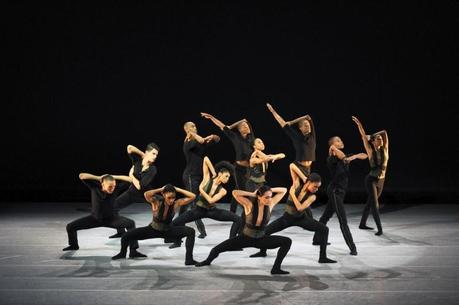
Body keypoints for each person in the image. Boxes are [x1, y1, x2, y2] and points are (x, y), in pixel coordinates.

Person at [195, 186, 292, 275]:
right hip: (245, 238)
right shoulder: (249, 205)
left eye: (271, 197)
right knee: (216, 249)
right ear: (259, 197)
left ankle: (276, 268)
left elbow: (284, 190)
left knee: (287, 241)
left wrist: (269, 190)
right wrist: (253, 194)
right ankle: (207, 261)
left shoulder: (270, 204)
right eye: (266, 197)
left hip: (261, 239)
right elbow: (235, 192)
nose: (269, 199)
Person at [249, 172, 337, 263]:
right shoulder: (297, 185)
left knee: (324, 229)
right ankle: (262, 252)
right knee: (265, 231)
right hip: (287, 219)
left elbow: (300, 208)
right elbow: (292, 166)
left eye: (318, 187)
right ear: (308, 182)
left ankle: (322, 257)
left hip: (301, 219)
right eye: (315, 186)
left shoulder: (312, 196)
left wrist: (293, 194)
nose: (317, 189)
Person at [112, 184, 198, 265]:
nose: (172, 200)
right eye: (169, 198)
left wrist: (177, 189)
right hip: (152, 230)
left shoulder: (176, 203)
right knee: (126, 236)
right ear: (163, 195)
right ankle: (123, 253)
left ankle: (189, 259)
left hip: (168, 231)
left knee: (191, 231)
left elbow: (193, 196)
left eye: (173, 197)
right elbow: (146, 194)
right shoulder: (156, 202)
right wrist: (161, 189)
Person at [168, 156, 242, 248]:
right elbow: (206, 159)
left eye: (229, 177)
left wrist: (201, 190)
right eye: (226, 176)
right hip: (199, 210)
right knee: (175, 222)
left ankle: (231, 244)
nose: (227, 179)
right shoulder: (207, 178)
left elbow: (211, 200)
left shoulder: (223, 190)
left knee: (238, 219)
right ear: (220, 174)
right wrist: (213, 172)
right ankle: (177, 242)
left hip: (212, 211)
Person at [63, 173, 142, 257]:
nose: (112, 188)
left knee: (130, 223)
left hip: (111, 220)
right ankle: (74, 245)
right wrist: (99, 177)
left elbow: (130, 179)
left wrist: (112, 176)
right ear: (103, 184)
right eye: (110, 186)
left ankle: (133, 251)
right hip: (94, 219)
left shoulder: (115, 188)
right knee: (70, 226)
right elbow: (81, 175)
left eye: (114, 186)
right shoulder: (94, 187)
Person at [313, 136, 367, 255]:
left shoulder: (345, 156)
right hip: (335, 191)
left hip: (340, 191)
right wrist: (333, 148)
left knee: (326, 216)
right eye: (338, 141)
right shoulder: (331, 159)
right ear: (332, 145)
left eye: (341, 140)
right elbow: (341, 156)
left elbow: (365, 155)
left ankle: (316, 239)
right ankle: (352, 247)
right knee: (343, 220)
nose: (341, 141)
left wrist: (354, 156)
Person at [201, 112, 255, 213]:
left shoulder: (251, 139)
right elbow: (223, 126)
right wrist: (212, 117)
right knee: (242, 190)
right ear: (239, 130)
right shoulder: (235, 137)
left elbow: (245, 120)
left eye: (247, 125)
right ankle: (246, 212)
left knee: (238, 189)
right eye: (244, 126)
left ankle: (232, 211)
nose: (246, 126)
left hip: (250, 169)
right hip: (239, 169)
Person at [110, 143, 159, 238]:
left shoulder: (153, 169)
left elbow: (140, 186)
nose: (155, 156)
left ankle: (164, 232)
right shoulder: (137, 161)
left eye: (156, 155)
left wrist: (131, 175)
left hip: (145, 195)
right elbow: (129, 147)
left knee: (162, 204)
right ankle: (121, 231)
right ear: (147, 152)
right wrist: (142, 154)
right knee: (113, 207)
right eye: (153, 153)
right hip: (131, 193)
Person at [180, 121, 220, 239]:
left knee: (187, 203)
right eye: (192, 126)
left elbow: (217, 140)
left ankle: (177, 223)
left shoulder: (197, 143)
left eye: (195, 125)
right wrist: (194, 135)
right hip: (190, 176)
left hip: (197, 176)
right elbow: (202, 141)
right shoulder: (188, 143)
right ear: (187, 130)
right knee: (194, 203)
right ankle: (202, 230)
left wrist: (213, 137)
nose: (195, 127)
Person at [352, 116, 389, 236]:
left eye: (380, 139)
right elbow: (363, 136)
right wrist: (359, 126)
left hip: (381, 181)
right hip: (371, 180)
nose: (381, 140)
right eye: (378, 139)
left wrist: (372, 135)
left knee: (370, 202)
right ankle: (380, 229)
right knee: (375, 204)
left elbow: (384, 132)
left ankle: (362, 224)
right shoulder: (370, 151)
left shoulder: (385, 149)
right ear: (373, 142)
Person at [266, 103, 316, 177]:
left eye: (308, 125)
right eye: (305, 125)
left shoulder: (312, 135)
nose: (308, 126)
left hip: (308, 167)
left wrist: (291, 122)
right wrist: (272, 111)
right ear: (300, 128)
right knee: (297, 186)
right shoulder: (296, 136)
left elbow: (307, 116)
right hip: (298, 166)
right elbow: (282, 122)